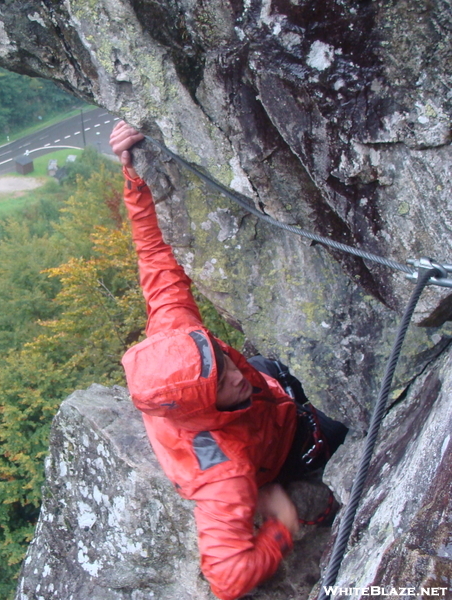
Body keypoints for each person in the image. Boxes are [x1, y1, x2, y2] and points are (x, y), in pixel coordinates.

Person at [109, 121, 347, 600]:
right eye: (224, 380)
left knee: (270, 368)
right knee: (346, 430)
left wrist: (134, 176)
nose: (238, 372)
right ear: (202, 409)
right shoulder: (224, 475)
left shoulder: (178, 338)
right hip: (279, 448)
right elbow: (227, 580)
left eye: (223, 358)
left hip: (265, 408)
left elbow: (154, 257)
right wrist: (279, 526)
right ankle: (320, 507)